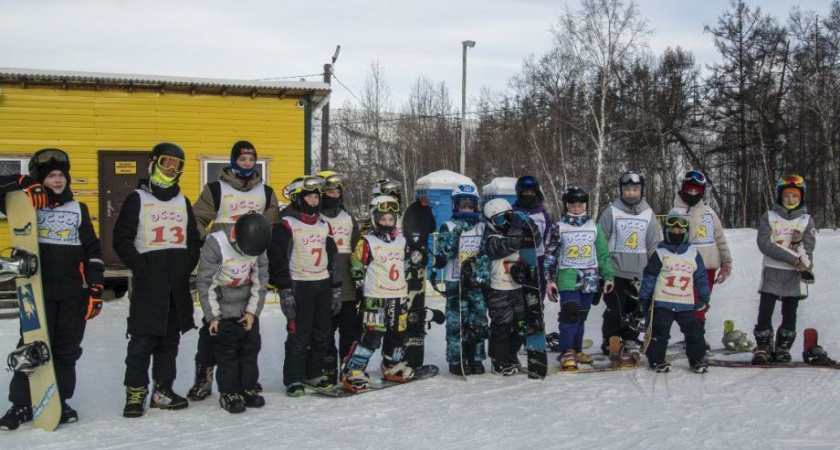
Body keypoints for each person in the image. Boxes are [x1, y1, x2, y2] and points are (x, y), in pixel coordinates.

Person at [0, 149, 103, 430]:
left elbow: (92, 252)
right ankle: (21, 403)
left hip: (72, 292)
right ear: (40, 179)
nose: (57, 181)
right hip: (37, 290)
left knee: (66, 349)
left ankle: (59, 399)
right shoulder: (23, 204)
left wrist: (95, 288)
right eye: (51, 176)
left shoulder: (78, 209)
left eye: (61, 176)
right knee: (32, 345)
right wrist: (22, 182)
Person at [113, 142, 201, 418]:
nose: (171, 169)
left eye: (177, 165)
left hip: (176, 282)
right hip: (150, 282)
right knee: (141, 340)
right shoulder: (137, 198)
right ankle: (136, 392)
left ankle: (163, 389)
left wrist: (186, 263)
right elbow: (121, 240)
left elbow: (193, 239)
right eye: (166, 163)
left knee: (169, 341)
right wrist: (142, 267)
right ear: (153, 164)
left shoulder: (182, 201)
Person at [187, 140, 280, 401]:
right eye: (242, 160)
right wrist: (208, 239)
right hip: (221, 262)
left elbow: (271, 223)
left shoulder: (266, 192)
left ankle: (247, 379)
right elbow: (197, 218)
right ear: (233, 161)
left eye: (251, 160)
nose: (247, 164)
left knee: (248, 326)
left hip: (249, 261)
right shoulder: (216, 189)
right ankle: (203, 377)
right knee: (213, 326)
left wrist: (260, 240)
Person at [267, 176, 341, 397]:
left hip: (322, 284)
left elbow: (333, 257)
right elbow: (277, 259)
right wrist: (284, 290)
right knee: (299, 333)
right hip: (300, 285)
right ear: (298, 198)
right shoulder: (286, 225)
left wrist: (336, 286)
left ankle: (313, 374)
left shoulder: (323, 225)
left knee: (322, 334)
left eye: (316, 196)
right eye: (309, 196)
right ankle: (294, 378)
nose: (314, 199)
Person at [196, 213, 270, 413]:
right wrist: (213, 317)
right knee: (227, 351)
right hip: (222, 303)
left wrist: (252, 313)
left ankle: (247, 388)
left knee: (250, 348)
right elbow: (205, 283)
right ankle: (228, 392)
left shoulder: (258, 246)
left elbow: (260, 282)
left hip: (245, 303)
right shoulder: (216, 243)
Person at [341, 195, 415, 391]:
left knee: (398, 333)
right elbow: (356, 266)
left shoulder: (401, 241)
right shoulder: (367, 241)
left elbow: (406, 265)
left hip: (398, 296)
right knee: (372, 336)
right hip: (376, 297)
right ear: (375, 219)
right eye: (383, 219)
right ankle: (353, 369)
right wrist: (361, 287)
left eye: (391, 219)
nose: (387, 223)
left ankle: (391, 364)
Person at [544, 186, 614, 371]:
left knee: (581, 318)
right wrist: (550, 281)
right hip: (568, 278)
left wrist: (608, 277)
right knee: (570, 314)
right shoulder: (559, 227)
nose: (576, 207)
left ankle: (576, 349)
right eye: (572, 203)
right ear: (566, 204)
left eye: (580, 203)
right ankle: (566, 351)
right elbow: (550, 255)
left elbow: (603, 254)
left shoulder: (594, 227)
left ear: (585, 205)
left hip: (590, 279)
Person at [597, 171, 661, 362]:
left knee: (635, 310)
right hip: (615, 271)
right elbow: (600, 241)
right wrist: (602, 268)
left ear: (641, 191)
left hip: (639, 273)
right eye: (627, 189)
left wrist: (654, 270)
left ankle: (631, 339)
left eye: (635, 189)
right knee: (615, 310)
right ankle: (611, 340)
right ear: (621, 190)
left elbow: (654, 244)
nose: (631, 193)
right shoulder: (611, 212)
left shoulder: (648, 214)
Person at [751, 175, 815, 365]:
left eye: (795, 196)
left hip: (794, 275)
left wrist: (805, 265)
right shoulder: (769, 216)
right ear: (780, 196)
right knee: (765, 309)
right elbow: (764, 244)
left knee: (790, 311)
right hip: (772, 270)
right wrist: (793, 259)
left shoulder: (806, 220)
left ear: (801, 198)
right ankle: (763, 346)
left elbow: (809, 251)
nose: (790, 200)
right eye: (787, 196)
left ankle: (783, 347)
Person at [638, 213, 712, 373]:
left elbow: (700, 277)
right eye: (673, 231)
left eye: (680, 232)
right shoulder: (660, 254)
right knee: (660, 332)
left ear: (685, 234)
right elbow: (650, 277)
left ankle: (697, 359)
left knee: (694, 332)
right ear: (666, 232)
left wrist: (704, 295)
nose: (676, 234)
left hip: (685, 303)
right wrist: (644, 297)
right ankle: (656, 360)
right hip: (663, 302)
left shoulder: (693, 254)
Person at [669, 170, 732, 350]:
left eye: (697, 192)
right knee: (689, 304)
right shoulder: (676, 212)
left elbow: (720, 238)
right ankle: (693, 336)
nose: (693, 195)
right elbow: (670, 239)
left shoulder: (710, 213)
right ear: (683, 190)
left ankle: (698, 337)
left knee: (702, 303)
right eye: (689, 191)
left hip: (708, 266)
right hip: (686, 267)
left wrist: (726, 262)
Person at [478, 198, 539, 376]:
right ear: (491, 222)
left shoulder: (517, 232)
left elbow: (536, 239)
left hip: (518, 288)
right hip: (499, 290)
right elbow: (510, 245)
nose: (505, 222)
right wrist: (516, 226)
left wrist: (528, 223)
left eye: (508, 217)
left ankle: (511, 354)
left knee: (520, 325)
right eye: (499, 219)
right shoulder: (491, 239)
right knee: (502, 327)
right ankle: (498, 359)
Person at [434, 182, 489, 376]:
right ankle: (458, 359)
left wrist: (482, 272)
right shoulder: (447, 226)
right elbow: (445, 252)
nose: (466, 208)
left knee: (479, 319)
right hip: (454, 281)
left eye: (470, 204)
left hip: (475, 282)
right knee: (457, 320)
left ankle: (476, 358)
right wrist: (458, 230)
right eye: (462, 204)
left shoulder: (482, 227)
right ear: (455, 205)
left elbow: (485, 252)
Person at [315, 171, 362, 385]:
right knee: (324, 331)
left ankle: (349, 368)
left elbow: (358, 251)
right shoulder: (314, 218)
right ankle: (326, 370)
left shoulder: (349, 218)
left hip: (348, 286)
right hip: (323, 284)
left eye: (336, 191)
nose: (333, 195)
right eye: (328, 191)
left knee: (350, 330)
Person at [511, 176, 553, 297]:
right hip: (516, 261)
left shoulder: (544, 216)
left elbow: (549, 241)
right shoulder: (512, 212)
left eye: (531, 192)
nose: (528, 194)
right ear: (519, 193)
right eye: (525, 192)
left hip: (539, 261)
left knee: (537, 298)